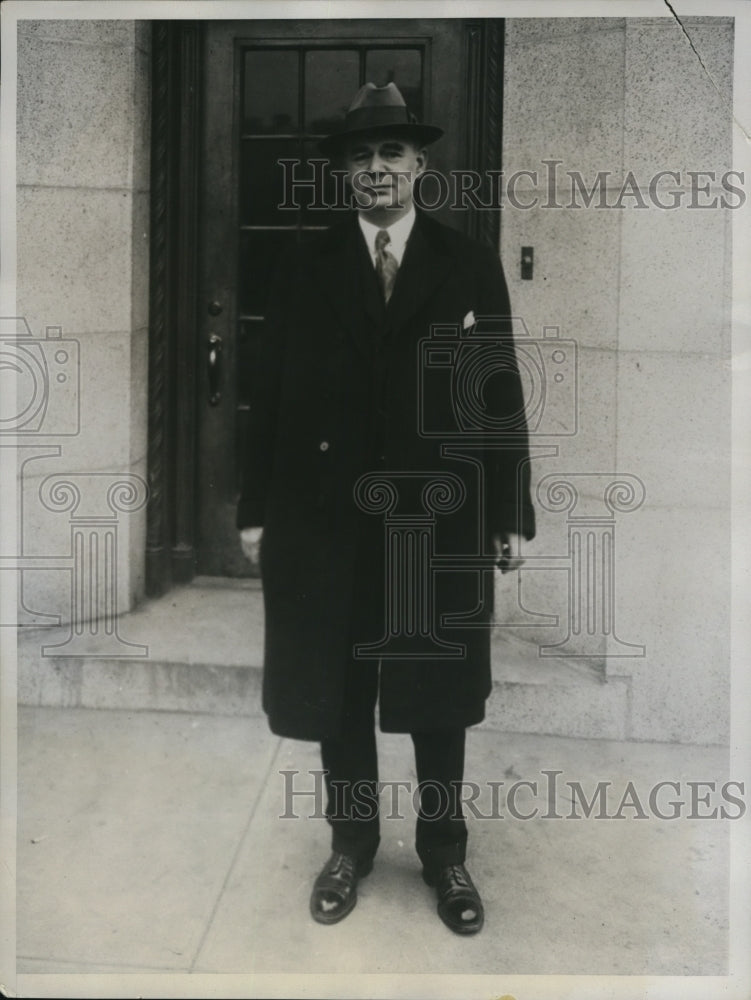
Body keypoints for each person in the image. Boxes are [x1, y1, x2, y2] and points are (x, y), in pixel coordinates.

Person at [237, 82, 535, 935]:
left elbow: (498, 393)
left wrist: (507, 509)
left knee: (437, 690)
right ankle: (351, 844)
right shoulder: (304, 264)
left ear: (419, 165)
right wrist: (255, 510)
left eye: (391, 154)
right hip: (324, 519)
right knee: (337, 690)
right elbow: (267, 394)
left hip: (433, 519)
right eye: (360, 156)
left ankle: (444, 854)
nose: (376, 169)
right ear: (344, 173)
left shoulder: (466, 262)